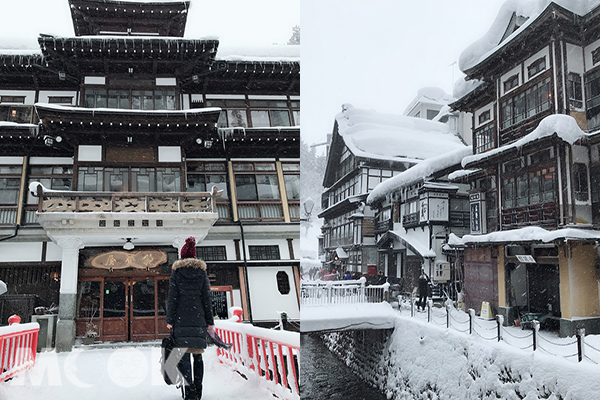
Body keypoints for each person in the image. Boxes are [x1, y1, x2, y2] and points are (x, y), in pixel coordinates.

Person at [166, 236, 214, 400]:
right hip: (198, 319)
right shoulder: (201, 274)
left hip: (180, 320)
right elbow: (207, 299)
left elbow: (172, 298)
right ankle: (198, 391)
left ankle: (189, 392)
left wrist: (170, 320)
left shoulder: (177, 273)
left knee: (184, 356)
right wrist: (209, 321)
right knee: (198, 357)